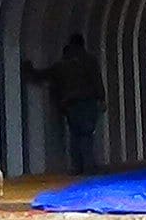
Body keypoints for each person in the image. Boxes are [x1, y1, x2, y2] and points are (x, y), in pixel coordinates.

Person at [23, 33, 105, 175]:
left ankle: (78, 167)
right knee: (87, 134)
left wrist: (28, 69)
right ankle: (89, 166)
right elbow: (97, 80)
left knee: (75, 135)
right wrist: (102, 99)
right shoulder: (90, 61)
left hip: (71, 103)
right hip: (88, 101)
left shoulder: (62, 65)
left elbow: (43, 75)